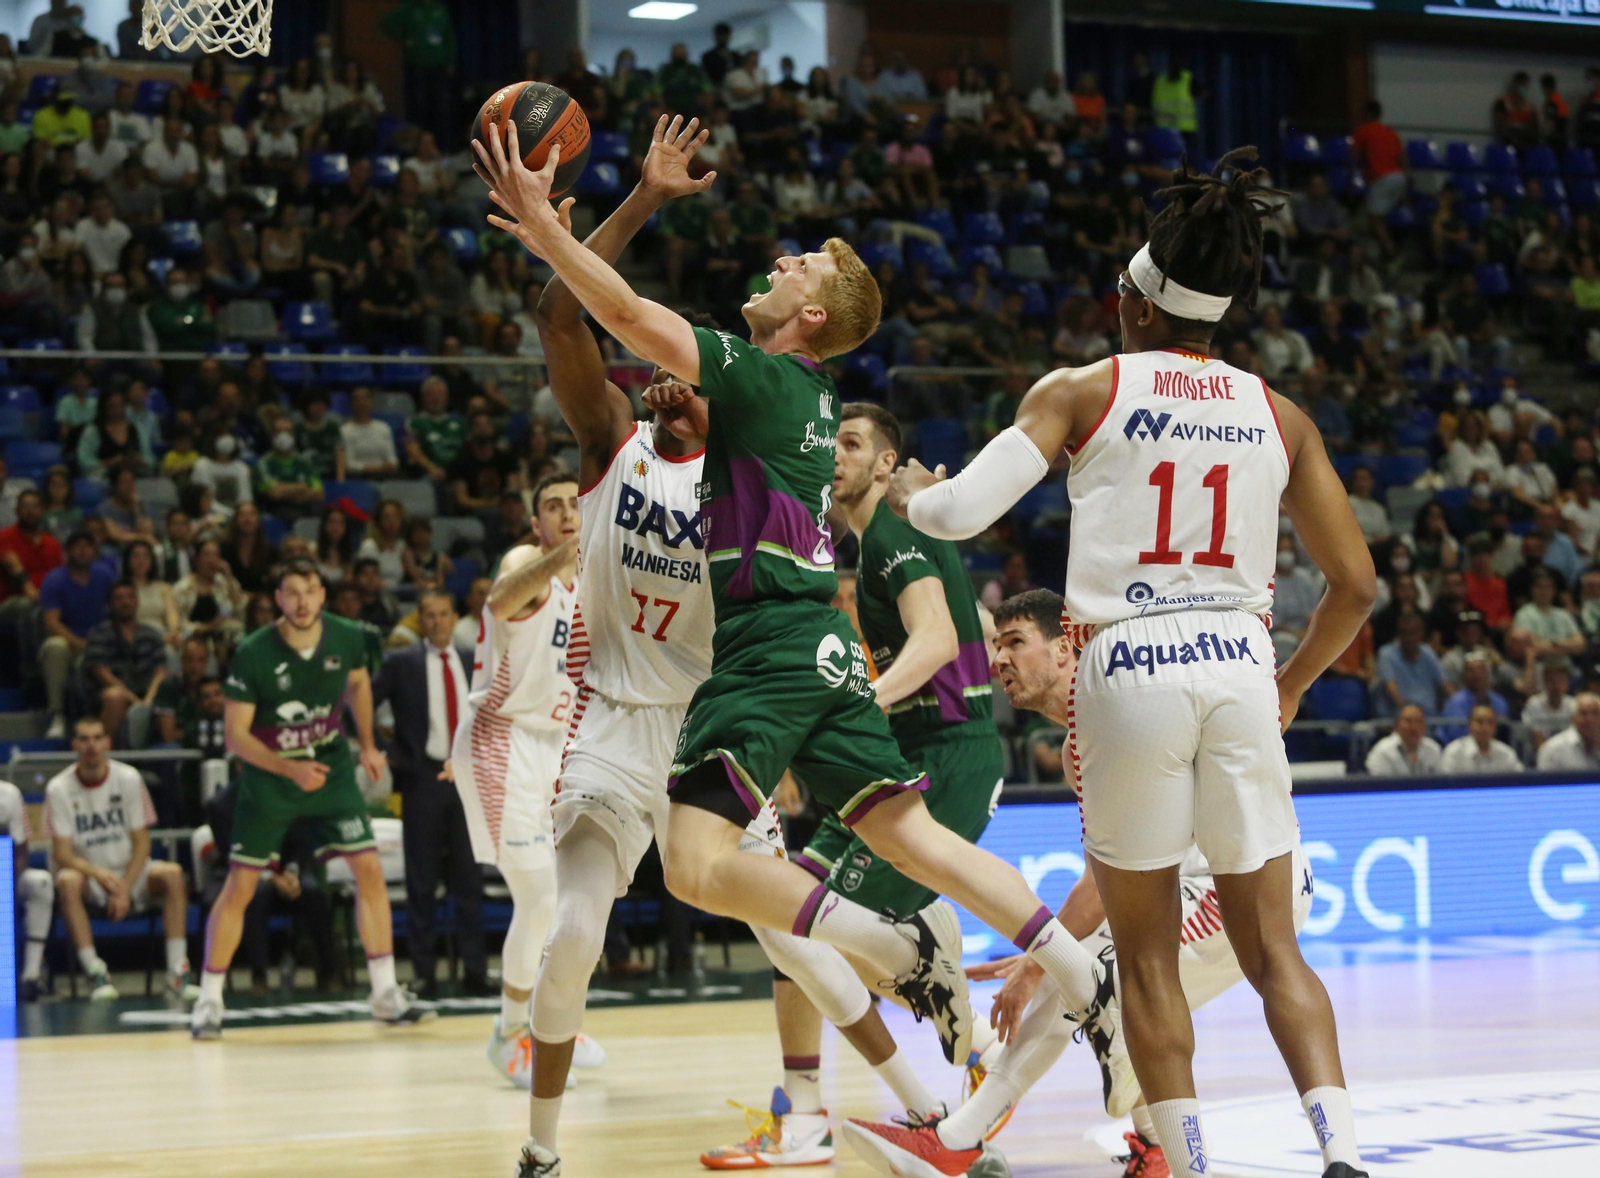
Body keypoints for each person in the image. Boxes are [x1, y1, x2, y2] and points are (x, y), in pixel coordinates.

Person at [480, 113, 1097, 1142]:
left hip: (740, 684)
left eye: (795, 264)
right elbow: (571, 318)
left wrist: (550, 218)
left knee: (764, 912)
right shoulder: (637, 446)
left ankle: (904, 1083)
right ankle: (1041, 1001)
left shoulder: (763, 392)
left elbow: (629, 313)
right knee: (602, 925)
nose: (776, 260)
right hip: (654, 712)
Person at [852, 150, 1373, 1178]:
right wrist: (1293, 682)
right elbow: (1354, 587)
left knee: (1138, 960)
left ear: (1131, 300)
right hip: (1237, 663)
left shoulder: (1085, 387)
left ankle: (1182, 1160)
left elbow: (958, 514)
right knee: (1278, 952)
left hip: (1128, 668)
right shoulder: (1282, 414)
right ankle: (1344, 1155)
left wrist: (912, 489)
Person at [849, 589, 1315, 1178]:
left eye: (1015, 643)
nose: (999, 662)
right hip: (1192, 885)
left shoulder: (1115, 710)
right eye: (996, 647)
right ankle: (1158, 1148)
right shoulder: (1079, 742)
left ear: (1067, 647)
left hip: (1244, 886)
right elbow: (1108, 876)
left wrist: (1035, 963)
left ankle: (957, 1139)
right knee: (1104, 984)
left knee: (1082, 976)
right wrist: (1040, 957)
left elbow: (1102, 895)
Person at [703, 401, 1022, 1167]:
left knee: (798, 923)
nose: (835, 456)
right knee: (785, 919)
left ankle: (938, 999)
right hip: (907, 752)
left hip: (941, 755)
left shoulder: (895, 529)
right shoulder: (883, 530)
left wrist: (851, 709)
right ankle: (812, 1108)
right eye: (832, 443)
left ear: (886, 462)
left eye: (852, 444)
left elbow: (940, 641)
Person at [191, 559, 427, 1038]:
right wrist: (289, 768)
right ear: (278, 599)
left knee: (369, 869)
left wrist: (366, 745)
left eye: (311, 591)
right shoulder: (254, 652)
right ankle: (209, 1000)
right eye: (292, 592)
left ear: (323, 595)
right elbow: (236, 738)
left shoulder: (346, 635)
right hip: (271, 778)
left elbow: (359, 683)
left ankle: (384, 992)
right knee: (240, 885)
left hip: (331, 768)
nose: (302, 602)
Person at [444, 475, 583, 1122]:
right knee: (541, 899)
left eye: (575, 503)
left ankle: (546, 1023)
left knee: (571, 901)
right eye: (552, 507)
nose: (566, 514)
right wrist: (565, 553)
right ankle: (510, 1033)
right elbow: (501, 601)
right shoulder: (527, 564)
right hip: (505, 741)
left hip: (558, 745)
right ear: (537, 524)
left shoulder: (599, 577)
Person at [372, 590, 489, 998]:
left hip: (467, 779)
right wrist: (386, 752)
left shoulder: (474, 658)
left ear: (455, 617)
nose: (436, 621)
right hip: (422, 777)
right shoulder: (402, 662)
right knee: (421, 883)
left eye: (443, 614)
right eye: (429, 616)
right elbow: (363, 702)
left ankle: (475, 970)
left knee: (469, 881)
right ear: (420, 621)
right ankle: (424, 973)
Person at [45, 717, 197, 1001]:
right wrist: (100, 875)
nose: (91, 745)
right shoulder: (58, 788)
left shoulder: (128, 778)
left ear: (108, 742)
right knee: (67, 880)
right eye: (84, 739)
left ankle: (177, 971)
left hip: (130, 872)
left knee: (173, 873)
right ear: (74, 744)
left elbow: (142, 842)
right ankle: (96, 971)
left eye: (97, 737)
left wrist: (125, 886)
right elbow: (62, 854)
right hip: (91, 876)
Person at [39, 530, 118, 738]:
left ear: (94, 551)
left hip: (103, 642)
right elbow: (51, 622)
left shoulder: (105, 575)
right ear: (68, 552)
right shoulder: (55, 579)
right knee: (55, 647)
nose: (83, 551)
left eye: (87, 546)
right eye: (77, 546)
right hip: (70, 643)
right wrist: (79, 643)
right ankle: (57, 714)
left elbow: (119, 607)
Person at [1, 777, 55, 1001]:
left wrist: (7, 882)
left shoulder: (8, 793)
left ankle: (31, 976)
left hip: (4, 876)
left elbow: (22, 851)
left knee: (39, 882)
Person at [1440, 704, 1521, 774]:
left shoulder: (1506, 753)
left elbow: (1520, 779)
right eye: (1479, 722)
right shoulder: (1454, 752)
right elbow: (1445, 785)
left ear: (1495, 727)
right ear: (1469, 724)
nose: (1485, 728)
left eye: (1490, 722)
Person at [1363, 704, 1442, 776]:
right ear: (1397, 725)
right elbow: (1378, 786)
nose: (1414, 727)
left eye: (1419, 721)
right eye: (1408, 721)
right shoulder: (1382, 751)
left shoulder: (1433, 749)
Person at [337, 387, 399, 479]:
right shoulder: (345, 430)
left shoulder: (383, 427)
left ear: (372, 402)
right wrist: (374, 468)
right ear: (352, 404)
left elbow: (392, 461)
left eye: (366, 398)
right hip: (358, 479)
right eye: (357, 399)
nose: (362, 402)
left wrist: (387, 467)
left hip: (385, 477)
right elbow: (349, 464)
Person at [1535, 692, 1600, 771]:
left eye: (1595, 713)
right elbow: (1544, 781)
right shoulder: (1553, 749)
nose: (1590, 719)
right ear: (1573, 718)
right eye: (1583, 714)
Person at [1521, 656, 1576, 745]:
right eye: (1552, 681)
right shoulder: (1534, 704)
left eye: (1561, 681)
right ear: (1544, 682)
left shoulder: (1573, 705)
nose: (1556, 685)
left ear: (1568, 683)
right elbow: (1536, 741)